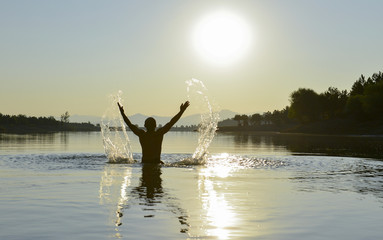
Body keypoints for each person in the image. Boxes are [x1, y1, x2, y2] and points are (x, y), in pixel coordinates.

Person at [117, 101, 190, 164]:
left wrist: (122, 113)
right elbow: (171, 122)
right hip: (156, 163)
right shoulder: (159, 134)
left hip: (145, 163)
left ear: (145, 125)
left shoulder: (142, 135)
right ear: (155, 125)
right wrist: (182, 111)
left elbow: (130, 125)